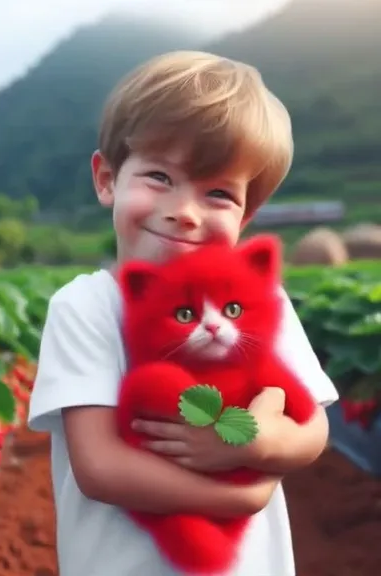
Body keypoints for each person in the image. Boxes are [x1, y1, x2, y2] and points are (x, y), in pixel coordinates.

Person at [27, 51, 338, 576]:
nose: (185, 211)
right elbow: (100, 467)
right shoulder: (87, 306)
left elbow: (312, 428)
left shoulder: (266, 302)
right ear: (107, 179)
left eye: (218, 192)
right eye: (159, 177)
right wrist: (240, 495)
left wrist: (261, 443)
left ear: (247, 213)